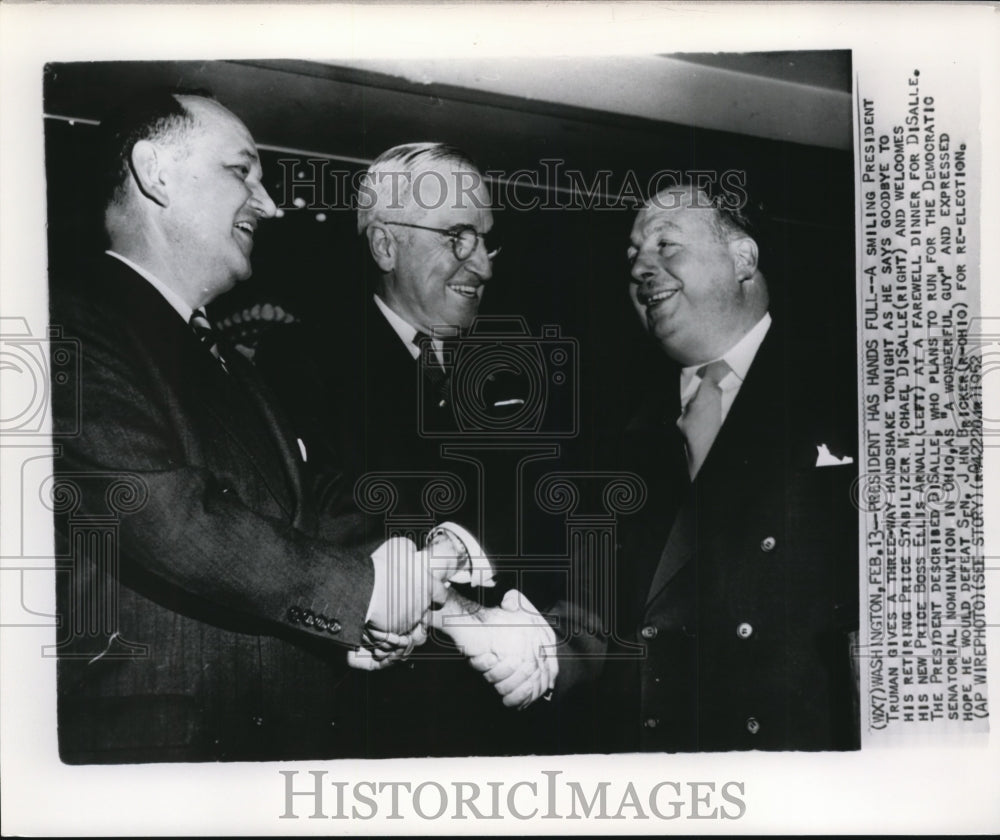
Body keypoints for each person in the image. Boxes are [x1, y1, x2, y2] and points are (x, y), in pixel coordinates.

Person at [47, 91, 538, 764]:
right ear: (155, 172)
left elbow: (308, 508)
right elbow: (170, 515)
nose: (270, 203)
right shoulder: (60, 324)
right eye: (240, 172)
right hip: (158, 752)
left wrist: (445, 579)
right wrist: (378, 599)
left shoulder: (222, 360)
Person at [254, 143, 558, 755]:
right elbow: (318, 520)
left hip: (511, 720)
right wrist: (458, 581)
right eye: (458, 237)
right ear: (386, 246)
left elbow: (550, 509)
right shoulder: (305, 362)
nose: (484, 268)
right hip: (371, 727)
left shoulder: (519, 364)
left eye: (487, 240)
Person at [595, 181, 859, 752]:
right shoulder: (612, 432)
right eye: (633, 257)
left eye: (666, 246)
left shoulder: (858, 389)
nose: (642, 268)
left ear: (743, 259)